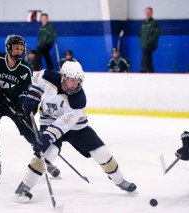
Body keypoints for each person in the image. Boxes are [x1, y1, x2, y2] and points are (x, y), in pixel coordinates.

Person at [13, 61, 137, 203]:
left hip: (77, 127)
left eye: (78, 80)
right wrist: (33, 98)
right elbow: (37, 82)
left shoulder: (78, 100)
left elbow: (63, 125)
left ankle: (120, 180)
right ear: (63, 77)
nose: (75, 84)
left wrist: (46, 138)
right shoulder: (47, 76)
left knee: (102, 153)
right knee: (49, 153)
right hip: (49, 121)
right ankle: (24, 187)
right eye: (72, 80)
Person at [0, 34, 60, 183]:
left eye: (21, 49)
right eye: (16, 48)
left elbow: (24, 91)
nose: (19, 51)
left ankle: (45, 160)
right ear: (8, 48)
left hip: (13, 103)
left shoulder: (25, 69)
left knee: (30, 131)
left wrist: (21, 108)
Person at [139, 7, 160, 73]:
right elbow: (140, 34)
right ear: (144, 13)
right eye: (146, 12)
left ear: (152, 13)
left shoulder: (154, 23)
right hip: (144, 45)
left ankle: (143, 69)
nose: (148, 13)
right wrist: (141, 42)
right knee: (148, 57)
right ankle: (151, 71)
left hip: (151, 44)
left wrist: (149, 42)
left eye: (149, 12)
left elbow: (156, 35)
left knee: (145, 52)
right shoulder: (143, 23)